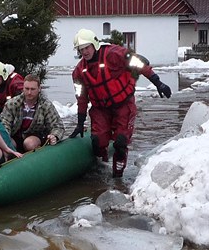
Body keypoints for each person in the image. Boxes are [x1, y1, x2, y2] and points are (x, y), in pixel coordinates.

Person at [69, 29, 172, 178]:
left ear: (95, 45)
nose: (85, 52)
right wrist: (80, 123)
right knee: (97, 143)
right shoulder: (79, 72)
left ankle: (118, 177)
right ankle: (101, 164)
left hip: (123, 105)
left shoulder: (113, 54)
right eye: (81, 49)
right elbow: (81, 98)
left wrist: (158, 83)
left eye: (87, 47)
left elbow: (138, 64)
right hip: (100, 110)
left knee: (121, 142)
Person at [0, 74, 65, 152]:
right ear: (23, 88)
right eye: (27, 89)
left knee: (29, 143)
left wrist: (54, 136)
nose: (29, 92)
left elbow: (58, 125)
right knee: (6, 143)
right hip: (16, 136)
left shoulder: (46, 105)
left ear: (39, 89)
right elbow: (5, 123)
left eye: (32, 89)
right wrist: (5, 137)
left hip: (36, 137)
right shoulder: (12, 104)